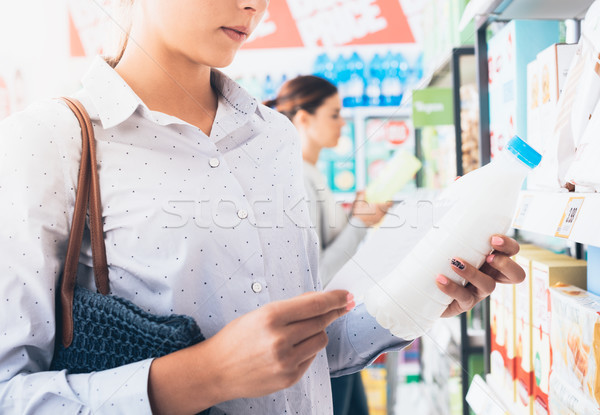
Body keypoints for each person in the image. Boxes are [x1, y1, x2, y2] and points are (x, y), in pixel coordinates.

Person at [0, 1, 525, 414]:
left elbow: (305, 354)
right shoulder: (50, 141)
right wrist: (207, 375)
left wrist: (421, 298)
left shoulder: (273, 137)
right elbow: (10, 394)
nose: (255, 5)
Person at [266, 75, 392, 415]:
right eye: (334, 114)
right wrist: (359, 223)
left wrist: (357, 216)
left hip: (330, 333)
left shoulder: (311, 173)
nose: (342, 122)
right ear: (304, 118)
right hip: (317, 340)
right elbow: (316, 274)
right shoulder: (296, 177)